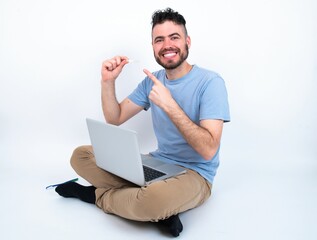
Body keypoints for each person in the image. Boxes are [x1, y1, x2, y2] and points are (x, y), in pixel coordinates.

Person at [55, 7, 230, 237]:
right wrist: (107, 81)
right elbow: (114, 117)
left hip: (195, 174)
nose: (167, 45)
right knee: (81, 155)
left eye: (174, 37)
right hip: (156, 163)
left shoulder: (211, 83)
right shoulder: (152, 81)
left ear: (187, 41)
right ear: (153, 47)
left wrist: (169, 104)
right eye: (159, 40)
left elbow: (208, 150)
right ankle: (158, 206)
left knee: (153, 199)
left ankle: (95, 195)